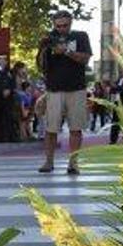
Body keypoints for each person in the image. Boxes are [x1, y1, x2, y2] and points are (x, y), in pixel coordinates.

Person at [37, 10, 92, 174]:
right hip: (54, 89)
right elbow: (40, 65)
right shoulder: (48, 39)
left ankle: (73, 163)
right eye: (58, 26)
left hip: (77, 88)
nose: (61, 29)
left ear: (71, 23)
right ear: (54, 24)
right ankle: (48, 162)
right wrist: (43, 48)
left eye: (65, 25)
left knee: (76, 129)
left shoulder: (81, 36)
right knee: (51, 129)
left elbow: (86, 59)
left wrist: (66, 51)